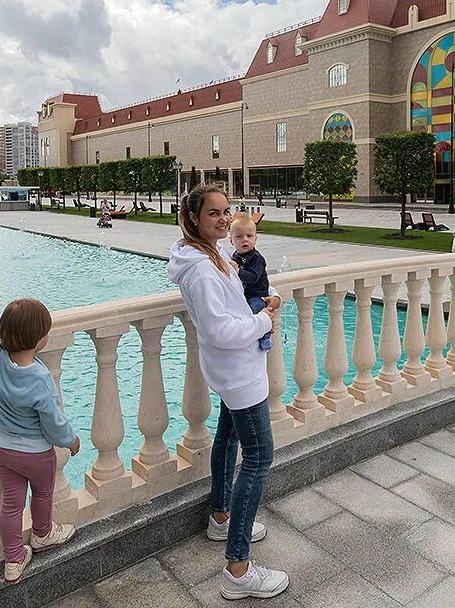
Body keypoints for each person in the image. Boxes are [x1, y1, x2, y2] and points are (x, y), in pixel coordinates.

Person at [167, 184, 288, 600]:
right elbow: (219, 329)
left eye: (226, 211)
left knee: (228, 437)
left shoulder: (210, 256)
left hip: (233, 369)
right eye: (213, 213)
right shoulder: (201, 268)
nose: (223, 218)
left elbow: (231, 305)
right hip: (238, 372)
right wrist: (264, 322)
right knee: (258, 458)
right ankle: (238, 569)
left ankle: (221, 517)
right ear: (195, 218)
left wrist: (260, 303)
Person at [0, 299, 80, 584]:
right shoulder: (39, 378)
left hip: (4, 450)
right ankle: (42, 534)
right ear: (39, 340)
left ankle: (13, 560)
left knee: (11, 505)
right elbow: (53, 423)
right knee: (42, 493)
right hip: (36, 455)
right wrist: (71, 441)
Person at [228, 214, 273, 351]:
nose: (244, 240)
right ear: (231, 241)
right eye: (239, 237)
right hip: (243, 294)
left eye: (249, 236)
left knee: (255, 310)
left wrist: (238, 272)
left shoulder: (257, 258)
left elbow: (253, 277)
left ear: (255, 239)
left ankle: (265, 336)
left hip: (257, 295)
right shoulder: (235, 256)